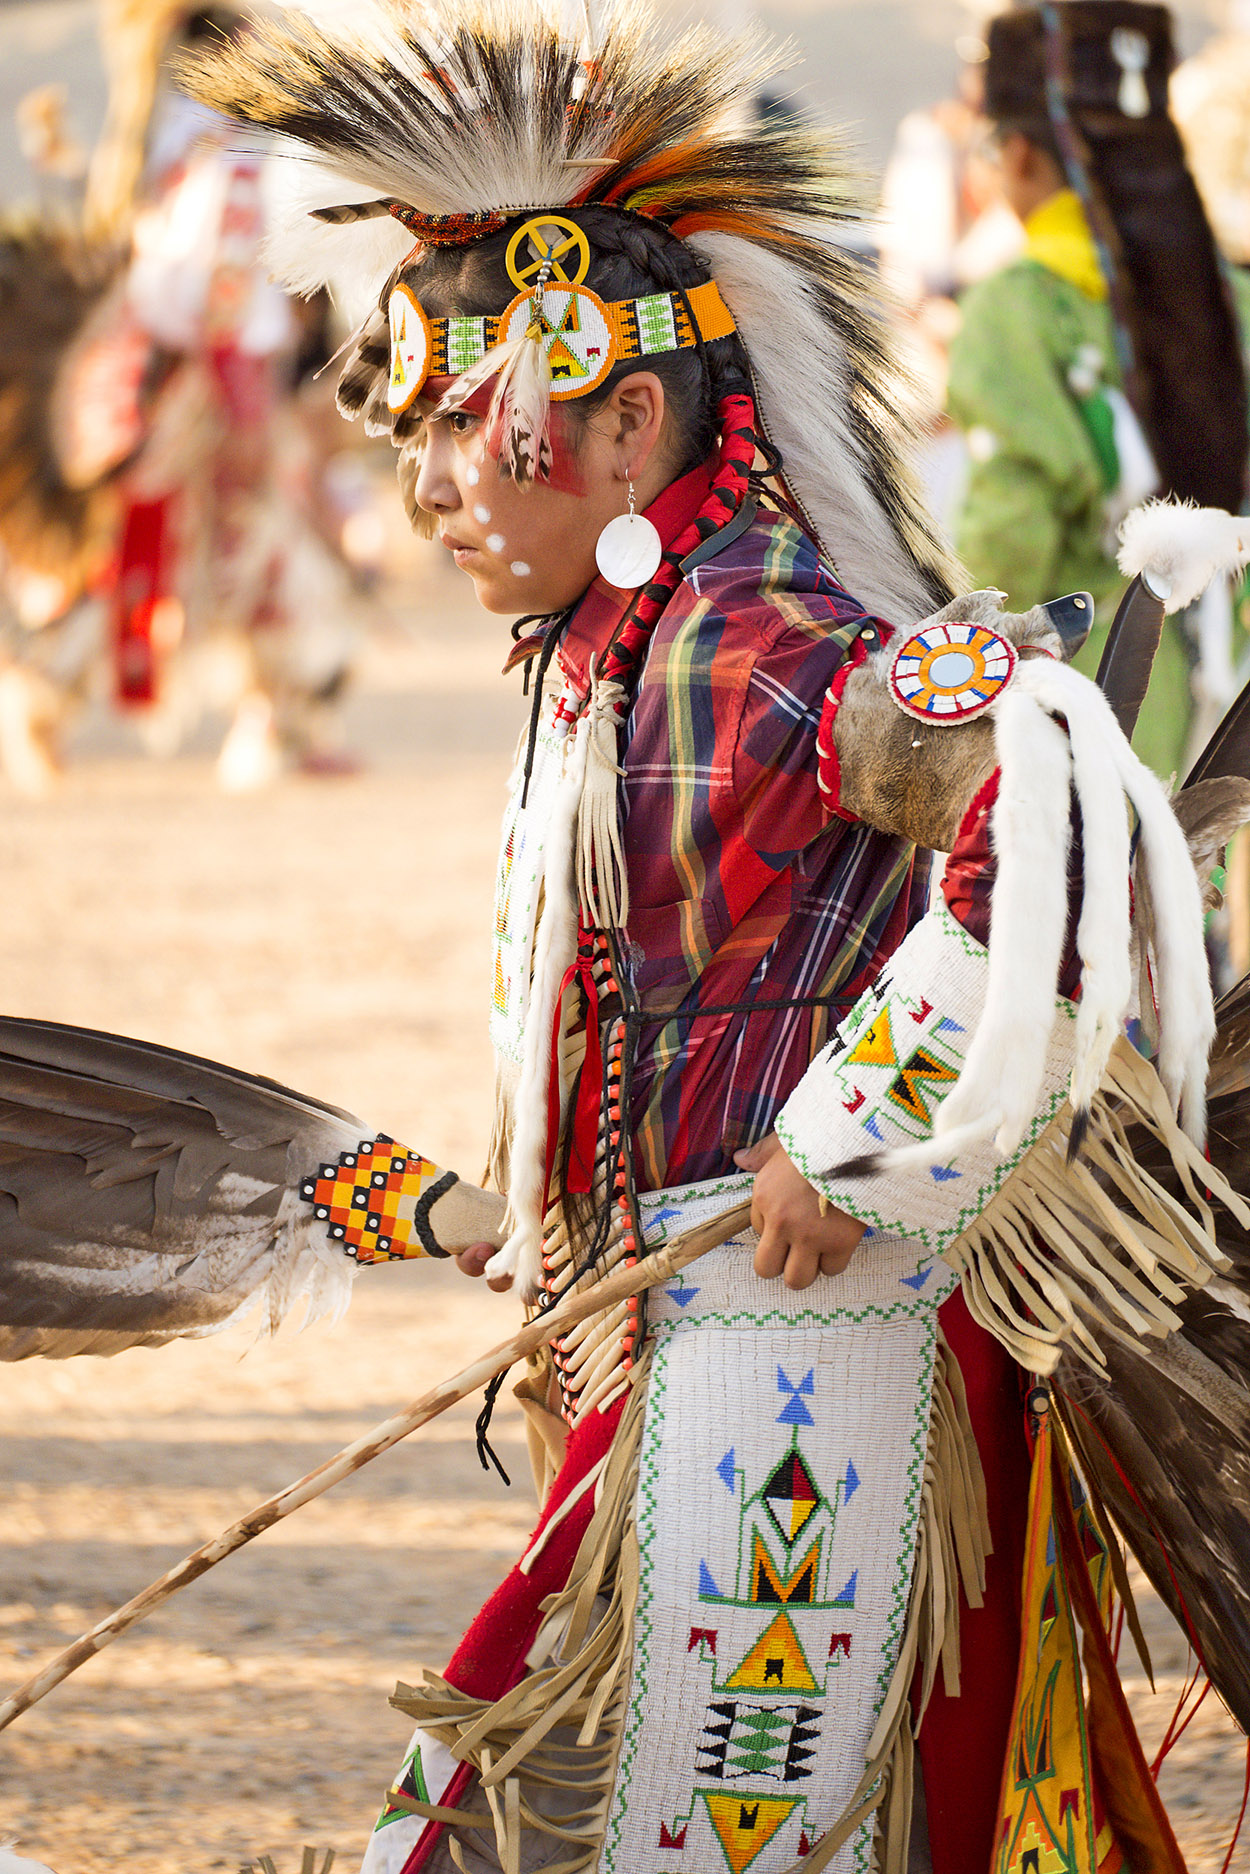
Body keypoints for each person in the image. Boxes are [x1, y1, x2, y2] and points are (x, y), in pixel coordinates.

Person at [163, 4, 1247, 1871]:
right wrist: (509, 1213)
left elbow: (1051, 795)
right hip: (712, 1333)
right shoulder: (612, 653)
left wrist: (851, 1131)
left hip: (809, 1351)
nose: (424, 484)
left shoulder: (757, 637)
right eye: (410, 433)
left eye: (460, 427)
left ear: (630, 421)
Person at [946, 1, 1250, 780]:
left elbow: (1011, 537)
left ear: (1016, 156)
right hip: (1224, 700)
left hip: (1092, 698)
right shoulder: (1230, 299)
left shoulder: (1018, 306)